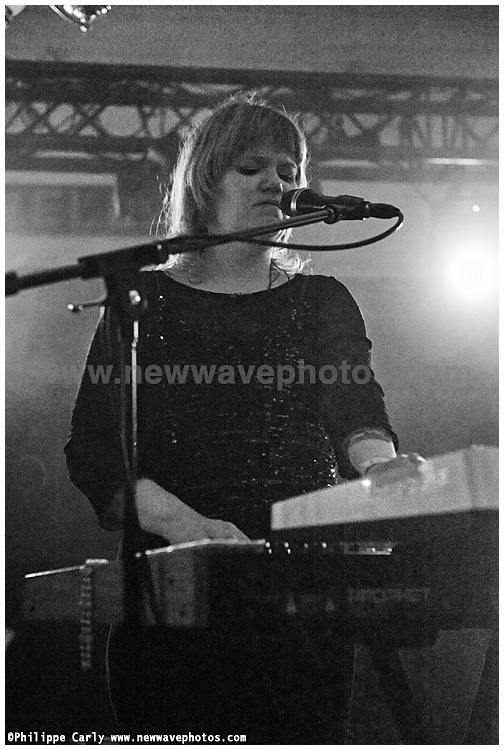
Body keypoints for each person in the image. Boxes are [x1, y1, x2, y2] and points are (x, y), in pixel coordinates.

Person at [65, 93, 400, 743]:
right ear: (204, 181)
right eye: (251, 167)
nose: (275, 181)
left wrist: (384, 472)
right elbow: (95, 451)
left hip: (302, 590)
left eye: (288, 171)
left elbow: (356, 411)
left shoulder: (322, 300)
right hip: (171, 593)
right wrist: (191, 528)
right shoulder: (141, 300)